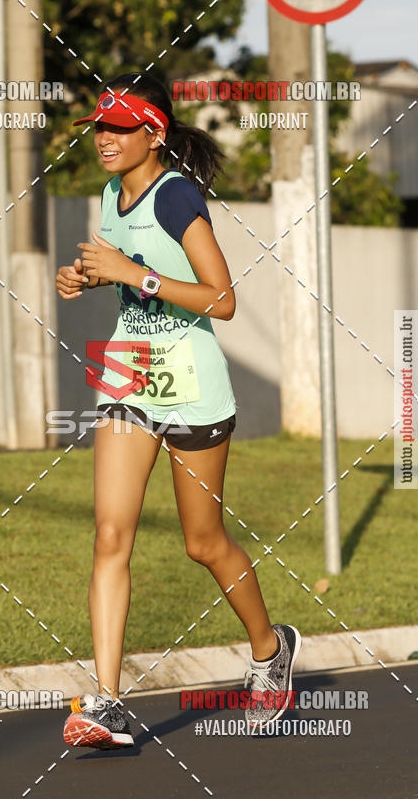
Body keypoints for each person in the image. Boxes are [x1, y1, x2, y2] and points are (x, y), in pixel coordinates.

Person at [55, 73, 301, 749]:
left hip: (191, 382)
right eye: (100, 128)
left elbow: (221, 298)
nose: (104, 140)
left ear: (153, 133)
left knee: (203, 542)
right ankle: (105, 702)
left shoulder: (177, 198)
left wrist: (131, 274)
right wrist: (84, 278)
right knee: (111, 534)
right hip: (128, 375)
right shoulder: (111, 195)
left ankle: (269, 647)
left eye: (119, 128)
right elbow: (122, 274)